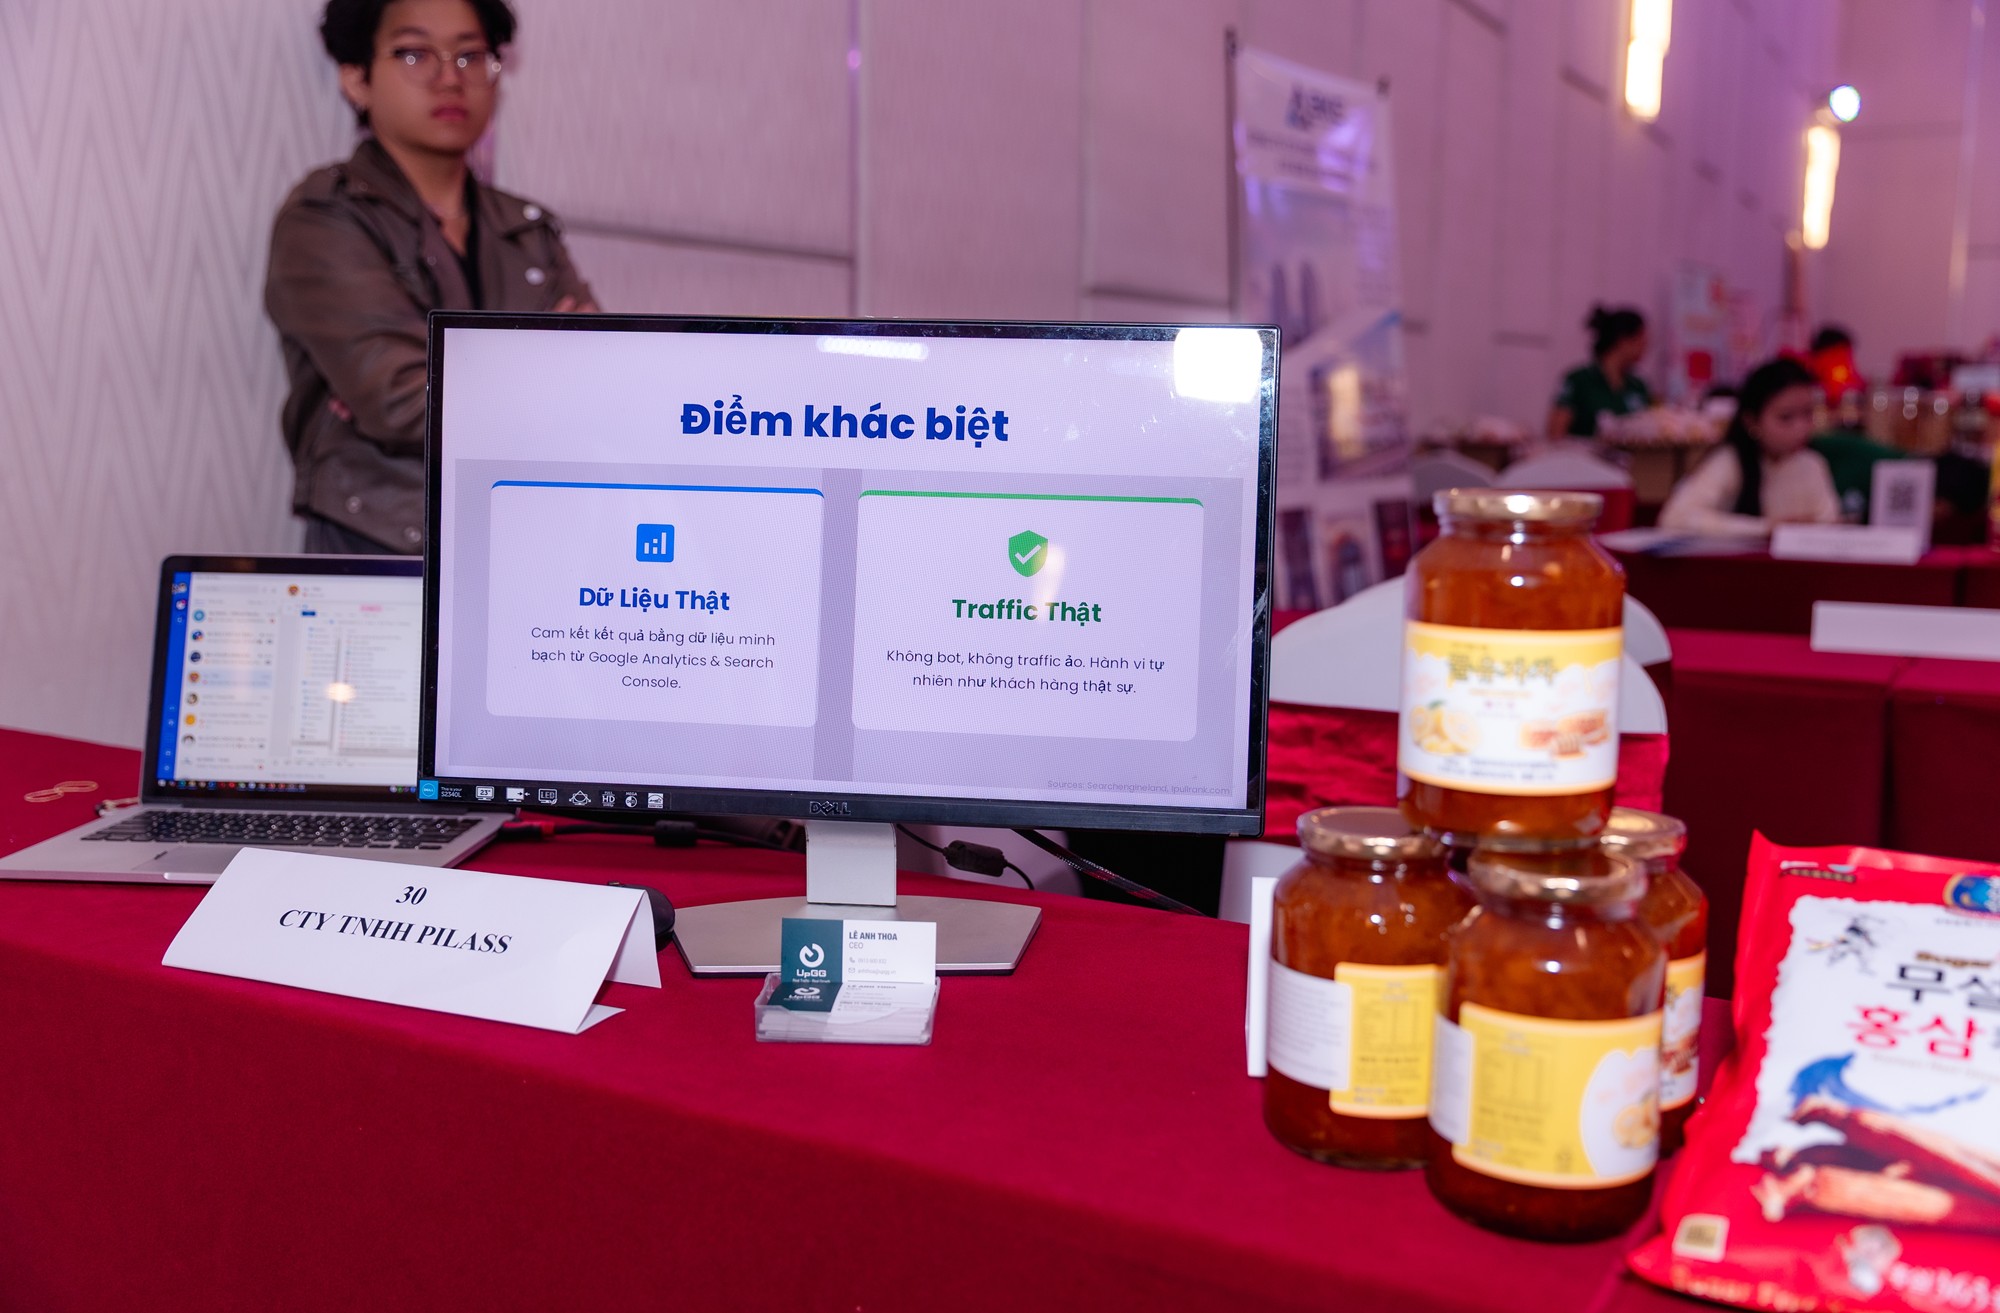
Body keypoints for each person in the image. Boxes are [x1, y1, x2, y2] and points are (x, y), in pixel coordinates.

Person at [266, 0, 597, 554]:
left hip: (526, 542)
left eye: (471, 56)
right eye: (415, 54)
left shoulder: (526, 229)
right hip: (383, 548)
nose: (450, 78)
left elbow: (604, 385)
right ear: (357, 78)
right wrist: (548, 373)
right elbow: (400, 401)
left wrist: (452, 380)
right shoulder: (327, 217)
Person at [1659, 356, 1841, 534]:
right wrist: (1765, 528)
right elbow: (1676, 518)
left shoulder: (1811, 464)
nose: (1801, 428)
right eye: (1786, 417)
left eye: (1808, 414)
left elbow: (1829, 524)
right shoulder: (1732, 461)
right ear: (1751, 421)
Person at [1548, 306, 1652, 439]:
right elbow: (1555, 434)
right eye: (1642, 341)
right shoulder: (1578, 380)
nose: (1645, 348)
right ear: (1623, 340)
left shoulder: (1638, 386)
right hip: (1583, 452)